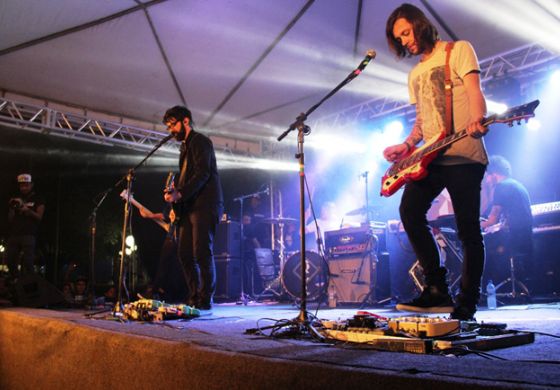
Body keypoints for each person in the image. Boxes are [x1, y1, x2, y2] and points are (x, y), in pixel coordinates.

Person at [383, 4, 489, 320]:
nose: (404, 41)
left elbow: (474, 91)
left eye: (405, 32)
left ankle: (467, 302)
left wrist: (478, 118)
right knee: (409, 211)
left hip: (464, 154)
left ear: (419, 24)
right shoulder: (415, 73)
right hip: (431, 156)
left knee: (468, 228)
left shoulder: (458, 50)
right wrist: (406, 144)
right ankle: (436, 288)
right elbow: (423, 120)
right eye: (398, 38)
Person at [163, 106, 224, 310]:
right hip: (189, 207)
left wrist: (180, 193)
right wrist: (175, 199)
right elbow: (187, 178)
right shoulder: (184, 148)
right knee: (185, 253)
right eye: (168, 126)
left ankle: (206, 297)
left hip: (206, 204)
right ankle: (194, 296)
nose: (170, 130)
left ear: (186, 121)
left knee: (201, 252)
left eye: (173, 124)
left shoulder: (201, 141)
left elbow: (203, 173)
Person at [480, 155, 533, 286]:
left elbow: (492, 219)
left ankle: (483, 289)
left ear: (493, 174)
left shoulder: (501, 187)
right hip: (524, 236)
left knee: (479, 249)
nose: (486, 179)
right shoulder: (517, 185)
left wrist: (475, 224)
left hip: (514, 237)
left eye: (487, 175)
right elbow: (513, 217)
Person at [6, 174, 45, 279]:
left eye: (26, 185)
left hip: (29, 234)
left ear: (31, 185)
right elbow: (10, 219)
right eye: (22, 185)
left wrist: (28, 211)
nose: (24, 187)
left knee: (28, 262)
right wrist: (12, 208)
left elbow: (39, 217)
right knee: (9, 260)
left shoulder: (38, 198)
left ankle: (31, 281)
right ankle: (17, 279)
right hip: (14, 234)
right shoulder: (16, 199)